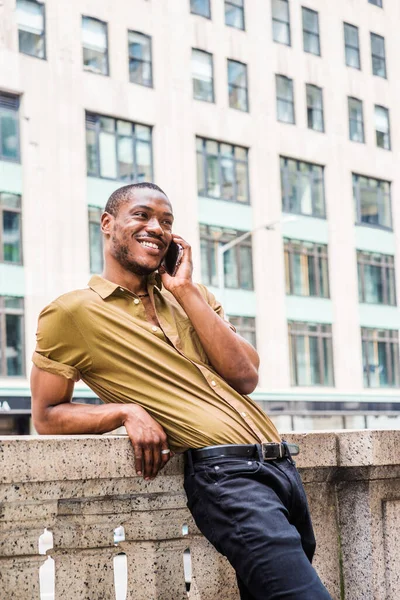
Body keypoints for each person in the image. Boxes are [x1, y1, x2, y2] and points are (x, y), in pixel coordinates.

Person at [31, 182, 331, 600]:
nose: (156, 227)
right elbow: (46, 415)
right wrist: (125, 412)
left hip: (281, 470)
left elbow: (245, 377)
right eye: (142, 215)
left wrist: (186, 292)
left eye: (166, 221)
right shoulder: (71, 313)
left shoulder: (192, 296)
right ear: (107, 223)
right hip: (228, 480)